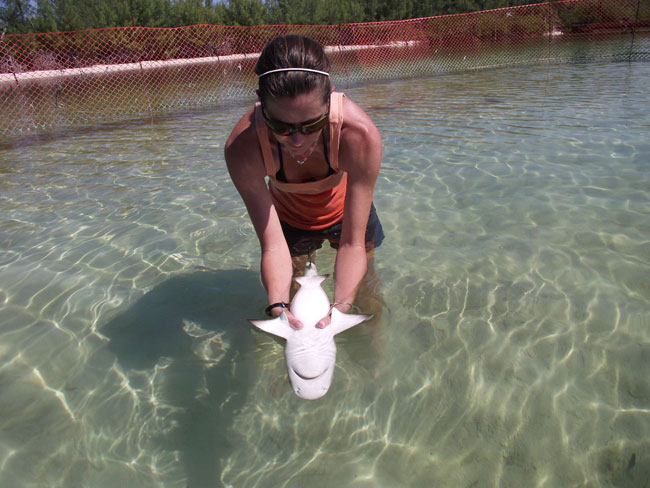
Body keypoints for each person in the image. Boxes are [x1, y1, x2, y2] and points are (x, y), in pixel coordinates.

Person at [225, 34, 384, 330]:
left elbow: (352, 243)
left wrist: (340, 310)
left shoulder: (359, 135)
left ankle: (373, 359)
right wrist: (278, 307)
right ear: (262, 106)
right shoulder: (243, 148)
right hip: (289, 218)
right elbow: (272, 247)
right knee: (295, 303)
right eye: (280, 126)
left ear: (330, 100)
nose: (297, 140)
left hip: (347, 216)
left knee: (366, 294)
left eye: (312, 124)